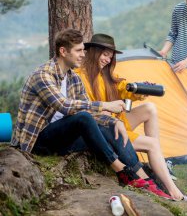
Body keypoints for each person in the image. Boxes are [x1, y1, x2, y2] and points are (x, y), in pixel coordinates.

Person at [11, 29, 172, 200]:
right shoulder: (43, 75)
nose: (83, 54)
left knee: (109, 127)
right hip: (39, 140)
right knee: (84, 118)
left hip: (64, 137)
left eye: (83, 50)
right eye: (79, 50)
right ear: (63, 51)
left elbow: (88, 109)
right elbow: (64, 105)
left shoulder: (73, 78)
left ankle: (145, 181)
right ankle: (121, 170)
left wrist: (113, 121)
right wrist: (105, 105)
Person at [75, 33, 185, 200]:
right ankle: (174, 191)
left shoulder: (104, 74)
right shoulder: (80, 77)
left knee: (150, 108)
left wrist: (138, 90)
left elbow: (123, 87)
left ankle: (156, 164)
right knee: (152, 144)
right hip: (106, 131)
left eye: (110, 57)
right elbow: (86, 110)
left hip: (117, 123)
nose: (107, 60)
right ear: (94, 52)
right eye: (104, 54)